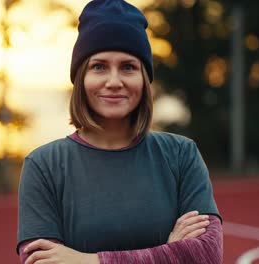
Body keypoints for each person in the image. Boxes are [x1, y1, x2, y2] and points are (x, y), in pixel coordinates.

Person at [16, 0, 223, 263]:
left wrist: (89, 261)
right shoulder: (43, 165)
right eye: (99, 66)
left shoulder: (181, 154)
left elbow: (207, 255)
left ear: (144, 79)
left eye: (128, 67)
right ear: (81, 78)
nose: (114, 82)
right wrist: (170, 253)